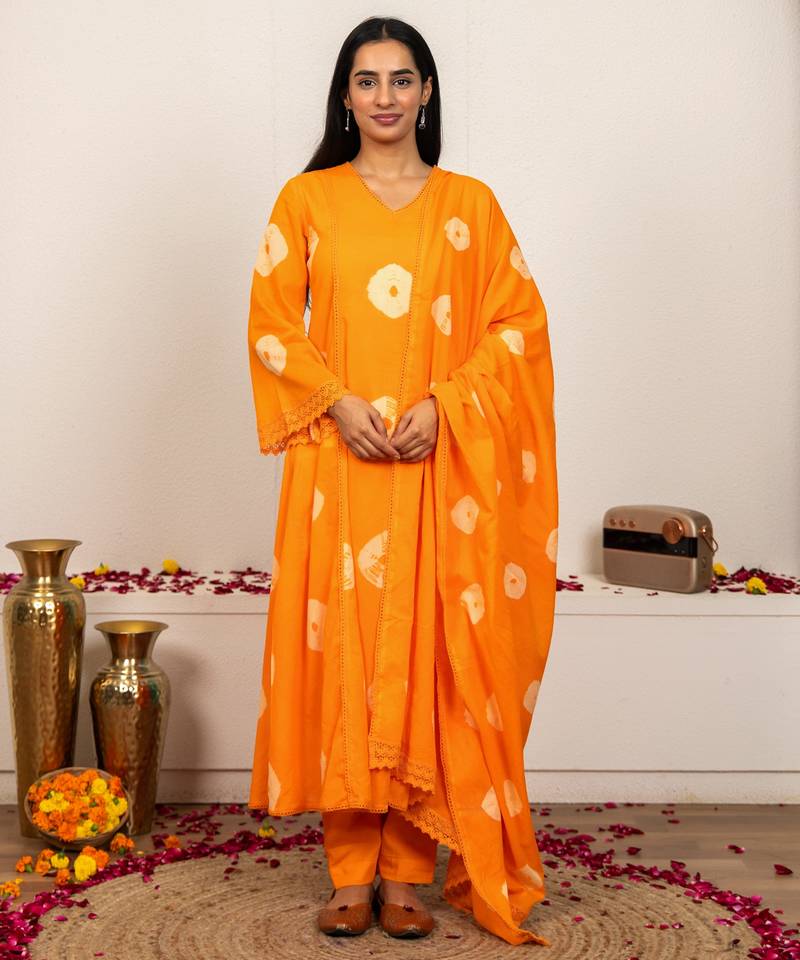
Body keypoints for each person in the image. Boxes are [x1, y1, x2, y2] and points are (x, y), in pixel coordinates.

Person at [246, 14, 558, 947]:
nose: (385, 96)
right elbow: (271, 323)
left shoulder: (471, 205)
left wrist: (446, 403)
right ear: (345, 97)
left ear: (426, 92)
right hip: (338, 469)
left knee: (425, 655)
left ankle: (408, 871)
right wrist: (336, 402)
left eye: (402, 78)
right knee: (345, 656)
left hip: (434, 473)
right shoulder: (307, 200)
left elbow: (518, 327)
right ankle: (350, 871)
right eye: (367, 79)